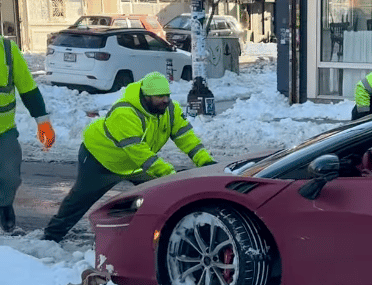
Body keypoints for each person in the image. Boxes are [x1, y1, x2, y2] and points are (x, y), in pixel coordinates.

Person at [43, 71, 216, 243]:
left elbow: (187, 138)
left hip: (136, 165)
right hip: (100, 161)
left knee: (161, 196)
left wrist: (206, 161)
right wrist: (170, 175)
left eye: (167, 95)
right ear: (146, 97)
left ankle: (158, 236)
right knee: (79, 201)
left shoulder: (170, 110)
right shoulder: (124, 113)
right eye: (159, 96)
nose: (165, 100)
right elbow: (140, 153)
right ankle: (51, 237)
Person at [0, 35, 55, 232]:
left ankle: (4, 205)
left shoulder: (7, 50)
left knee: (10, 177)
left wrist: (43, 122)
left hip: (4, 131)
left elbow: (27, 88)